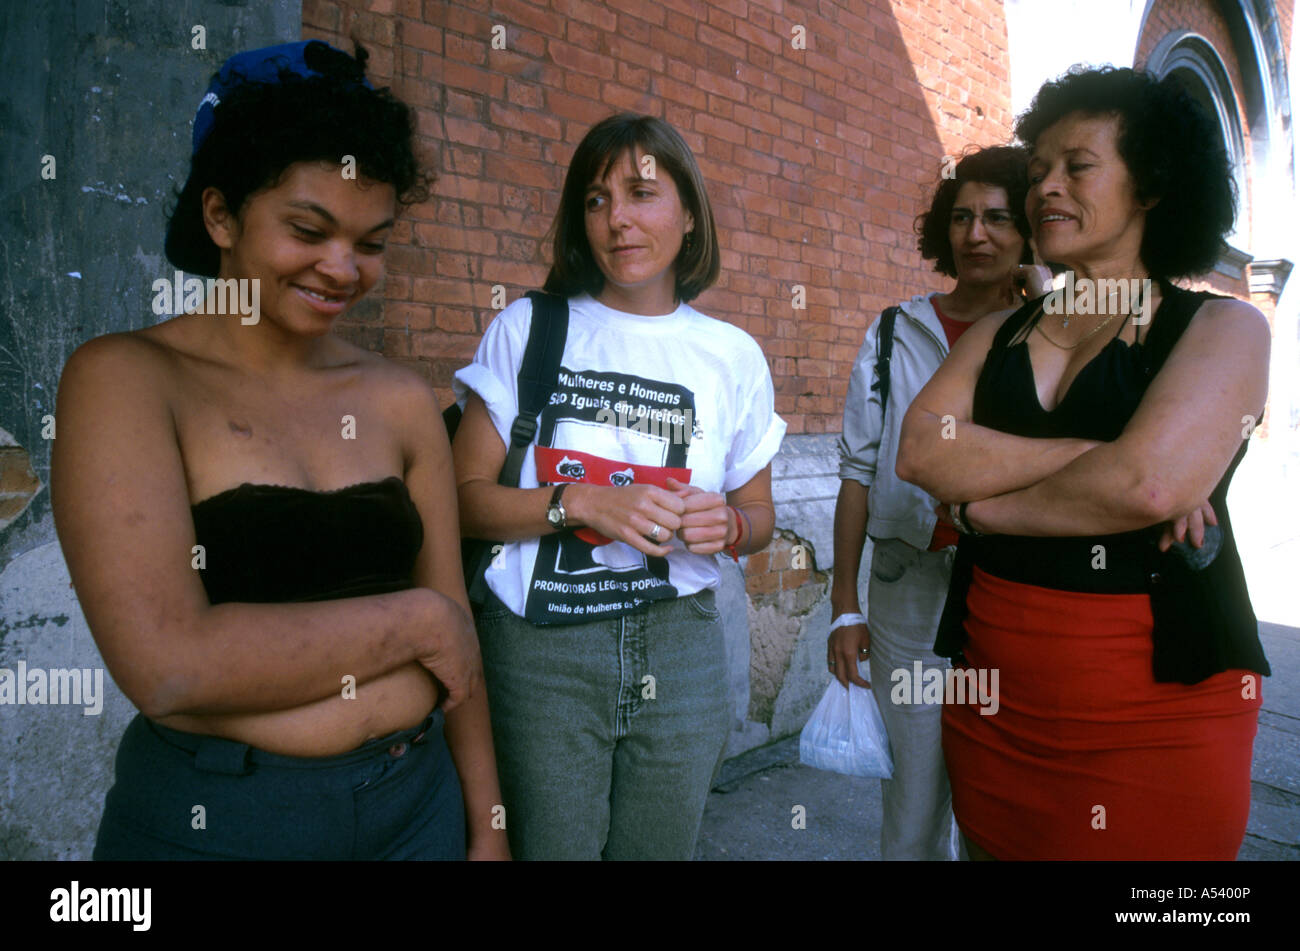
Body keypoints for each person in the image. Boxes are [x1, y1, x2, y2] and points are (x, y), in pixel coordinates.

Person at [51, 40, 508, 860]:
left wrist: (487, 828)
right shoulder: (124, 379)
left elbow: (460, 647)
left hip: (417, 805)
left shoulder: (400, 396)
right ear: (220, 214)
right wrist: (416, 619)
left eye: (371, 242)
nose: (343, 268)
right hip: (221, 820)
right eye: (309, 228)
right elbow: (168, 664)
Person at [896, 66, 1271, 860]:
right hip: (994, 696)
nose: (1046, 189)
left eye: (1077, 165)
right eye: (1038, 172)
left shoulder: (1226, 329)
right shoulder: (1003, 330)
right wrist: (1096, 455)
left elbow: (1150, 483)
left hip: (1156, 712)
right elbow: (923, 449)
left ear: (1152, 187)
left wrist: (984, 508)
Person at [452, 113, 785, 860]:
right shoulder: (527, 328)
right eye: (597, 200)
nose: (617, 220)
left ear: (690, 212)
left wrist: (727, 527)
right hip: (543, 650)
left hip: (682, 645)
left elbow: (760, 515)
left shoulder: (731, 356)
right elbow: (462, 498)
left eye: (641, 192)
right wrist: (582, 503)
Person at [831, 146, 1043, 860]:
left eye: (996, 218)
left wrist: (1051, 306)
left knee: (1002, 797)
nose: (975, 234)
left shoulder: (1054, 332)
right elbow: (857, 473)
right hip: (910, 592)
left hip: (1015, 589)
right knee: (915, 802)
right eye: (961, 217)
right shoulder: (896, 332)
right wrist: (843, 603)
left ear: (1029, 232)